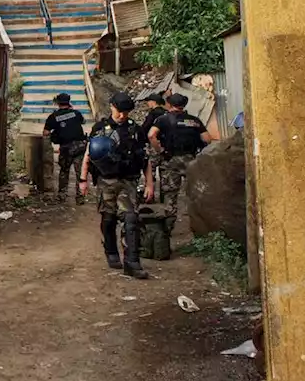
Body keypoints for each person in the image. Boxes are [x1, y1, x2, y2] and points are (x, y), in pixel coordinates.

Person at [81, 91, 153, 279]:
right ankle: (111, 251)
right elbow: (88, 155)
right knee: (109, 218)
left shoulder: (136, 130)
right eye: (120, 111)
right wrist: (83, 180)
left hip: (128, 181)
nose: (122, 115)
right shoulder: (100, 128)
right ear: (112, 107)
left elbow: (145, 159)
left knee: (130, 219)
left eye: (126, 112)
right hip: (106, 181)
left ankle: (132, 262)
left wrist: (150, 184)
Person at [149, 92, 212, 231]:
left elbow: (151, 135)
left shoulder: (163, 119)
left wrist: (159, 150)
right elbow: (207, 139)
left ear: (169, 104)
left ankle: (168, 229)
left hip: (171, 160)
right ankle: (201, 229)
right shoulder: (194, 120)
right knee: (195, 194)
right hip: (191, 160)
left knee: (170, 195)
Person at [42, 92, 87, 203]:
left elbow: (46, 132)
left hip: (66, 147)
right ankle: (80, 196)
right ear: (69, 102)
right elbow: (83, 121)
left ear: (58, 103)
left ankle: (62, 195)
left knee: (64, 171)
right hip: (80, 146)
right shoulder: (76, 113)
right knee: (80, 173)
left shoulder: (53, 117)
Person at [138, 91, 167, 198]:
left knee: (151, 171)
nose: (148, 104)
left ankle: (150, 196)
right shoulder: (166, 113)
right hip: (165, 145)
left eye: (149, 101)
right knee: (165, 173)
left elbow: (145, 128)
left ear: (153, 102)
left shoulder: (153, 114)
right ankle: (165, 197)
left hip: (153, 144)